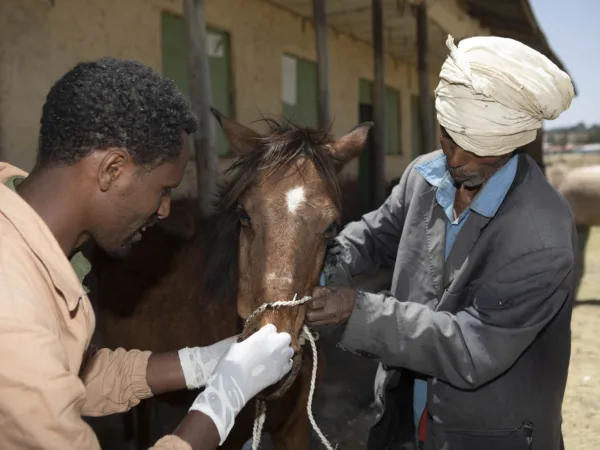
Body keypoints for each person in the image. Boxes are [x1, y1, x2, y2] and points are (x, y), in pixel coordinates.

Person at [0, 57, 294, 450]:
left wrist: (200, 364)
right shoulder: (12, 306)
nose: (165, 210)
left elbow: (66, 375)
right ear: (112, 169)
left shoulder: (24, 242)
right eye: (163, 189)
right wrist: (223, 401)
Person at [306, 35, 577, 450]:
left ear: (511, 143)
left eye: (474, 148)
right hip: (407, 416)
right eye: (447, 137)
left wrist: (355, 309)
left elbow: (470, 347)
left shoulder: (542, 238)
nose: (453, 159)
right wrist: (319, 264)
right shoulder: (424, 177)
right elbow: (375, 235)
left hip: (488, 434)